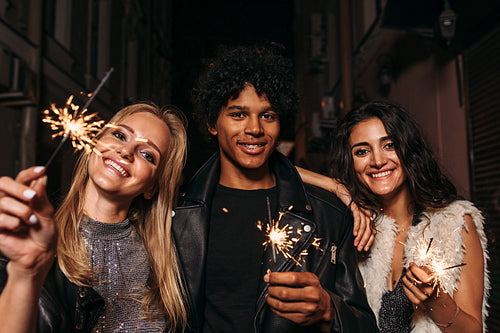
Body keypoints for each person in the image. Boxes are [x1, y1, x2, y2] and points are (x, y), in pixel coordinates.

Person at [172, 43, 378, 333]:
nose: (255, 128)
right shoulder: (177, 214)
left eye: (267, 116)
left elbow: (366, 325)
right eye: (238, 114)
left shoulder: (326, 215)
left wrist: (329, 311)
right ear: (212, 123)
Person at [0, 104, 189, 332]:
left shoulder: (168, 267)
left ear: (152, 187)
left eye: (147, 154)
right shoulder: (32, 244)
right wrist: (26, 272)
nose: (125, 152)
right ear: (94, 145)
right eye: (120, 135)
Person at [306, 101, 489, 332]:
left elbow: (473, 329)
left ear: (408, 150)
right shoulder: (352, 225)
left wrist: (435, 300)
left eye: (389, 145)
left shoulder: (454, 223)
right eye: (362, 151)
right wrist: (335, 186)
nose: (378, 161)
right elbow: (274, 166)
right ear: (349, 162)